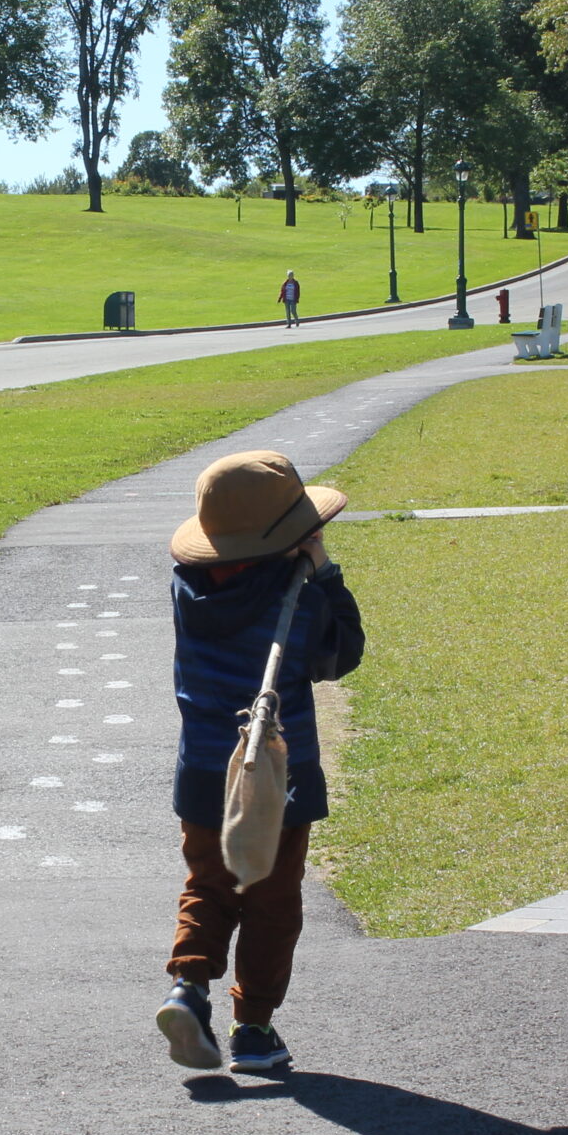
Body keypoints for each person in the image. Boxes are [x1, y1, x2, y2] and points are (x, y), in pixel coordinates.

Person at [155, 451, 366, 1076]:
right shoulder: (294, 594)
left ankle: (188, 987)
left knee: (208, 882)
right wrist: (322, 573)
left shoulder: (185, 585)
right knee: (271, 899)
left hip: (201, 768)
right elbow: (341, 656)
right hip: (276, 769)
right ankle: (254, 1029)